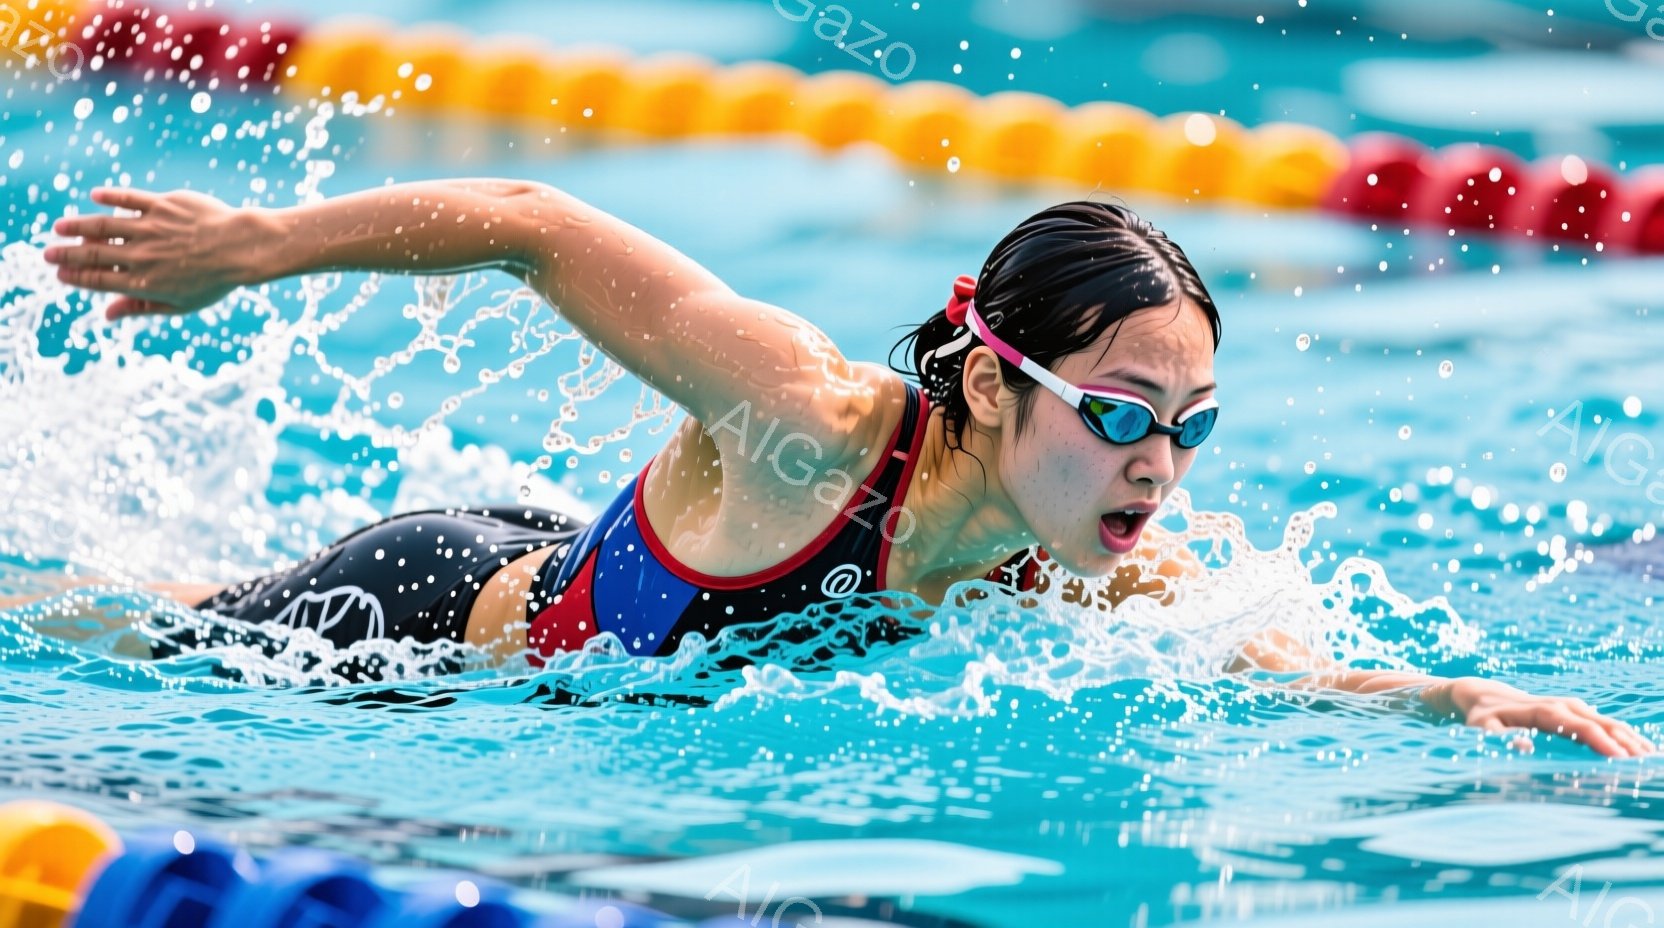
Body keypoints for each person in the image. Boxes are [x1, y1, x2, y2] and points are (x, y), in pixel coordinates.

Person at [37, 184, 1653, 759]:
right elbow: (536, 227)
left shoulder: (1096, 528)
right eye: (1116, 413)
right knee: (112, 630)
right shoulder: (812, 421)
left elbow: (1274, 663)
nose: (1159, 466)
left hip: (602, 585)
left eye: (1191, 426)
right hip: (421, 625)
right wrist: (246, 253)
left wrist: (1448, 700)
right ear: (983, 381)